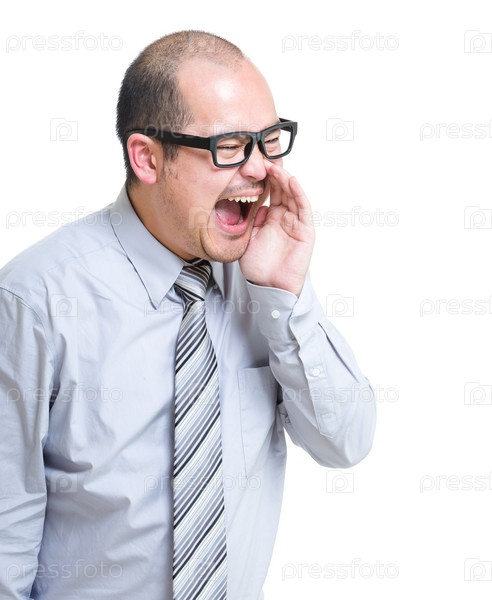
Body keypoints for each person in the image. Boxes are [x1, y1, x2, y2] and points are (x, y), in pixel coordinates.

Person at [0, 30, 376, 600]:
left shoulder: (263, 277)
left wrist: (286, 298)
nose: (261, 170)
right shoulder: (35, 300)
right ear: (147, 158)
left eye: (269, 141)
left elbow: (345, 442)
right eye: (231, 146)